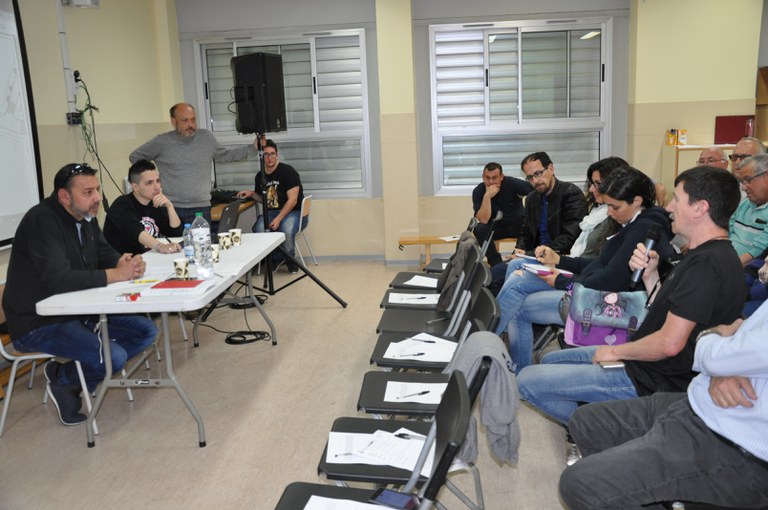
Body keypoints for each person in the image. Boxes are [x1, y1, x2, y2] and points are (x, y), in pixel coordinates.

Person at [516, 166, 744, 461]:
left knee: (527, 381)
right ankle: (599, 424)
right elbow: (669, 311)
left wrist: (615, 351)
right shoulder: (703, 255)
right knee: (550, 360)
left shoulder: (707, 265)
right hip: (644, 361)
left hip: (651, 376)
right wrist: (651, 276)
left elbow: (670, 343)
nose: (669, 207)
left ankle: (603, 429)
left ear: (700, 208)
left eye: (676, 199)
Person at [560, 301, 768, 509]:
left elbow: (705, 351)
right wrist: (724, 364)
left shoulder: (708, 279)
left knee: (580, 484)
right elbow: (735, 344)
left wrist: (715, 340)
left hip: (735, 444)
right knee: (585, 422)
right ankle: (631, 487)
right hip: (697, 401)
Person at [1, 163, 157, 426]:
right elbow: (59, 279)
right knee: (114, 356)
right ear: (64, 196)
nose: (96, 197)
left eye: (97, 190)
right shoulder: (42, 221)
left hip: (76, 309)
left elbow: (102, 251)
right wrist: (116, 274)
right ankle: (66, 383)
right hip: (37, 322)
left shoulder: (85, 215)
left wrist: (123, 261)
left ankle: (65, 374)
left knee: (146, 331)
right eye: (88, 192)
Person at [496, 166, 674, 372]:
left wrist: (563, 281)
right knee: (519, 279)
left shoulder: (642, 229)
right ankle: (503, 353)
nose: (610, 212)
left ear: (636, 201)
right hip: (590, 287)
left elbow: (609, 281)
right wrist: (559, 261)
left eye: (615, 207)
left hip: (605, 303)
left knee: (519, 299)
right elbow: (600, 264)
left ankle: (494, 345)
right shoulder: (632, 223)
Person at [129, 102, 260, 226]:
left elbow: (227, 155)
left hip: (201, 208)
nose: (190, 124)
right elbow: (135, 157)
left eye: (193, 120)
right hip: (171, 208)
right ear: (174, 121)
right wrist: (155, 179)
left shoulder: (206, 138)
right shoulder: (162, 142)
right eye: (185, 120)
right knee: (174, 243)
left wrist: (253, 147)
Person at [489, 152, 587, 294]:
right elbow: (526, 231)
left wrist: (529, 254)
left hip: (558, 259)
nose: (535, 181)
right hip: (534, 257)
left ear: (551, 168)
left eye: (538, 174)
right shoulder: (532, 198)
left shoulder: (571, 194)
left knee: (498, 277)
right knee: (491, 274)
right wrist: (519, 251)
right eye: (530, 177)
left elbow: (569, 237)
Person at [236, 139, 304, 273]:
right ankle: (273, 258)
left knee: (286, 228)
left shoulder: (288, 171)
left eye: (272, 154)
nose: (269, 157)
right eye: (266, 154)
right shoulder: (260, 176)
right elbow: (264, 200)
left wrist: (278, 219)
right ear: (261, 157)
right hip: (272, 212)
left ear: (277, 155)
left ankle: (290, 259)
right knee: (259, 228)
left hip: (293, 211)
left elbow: (293, 201)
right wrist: (252, 194)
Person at [104, 159, 184, 255]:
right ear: (135, 187)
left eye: (157, 181)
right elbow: (136, 231)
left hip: (149, 258)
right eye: (149, 183)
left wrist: (170, 206)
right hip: (125, 261)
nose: (157, 187)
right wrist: (161, 246)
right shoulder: (121, 205)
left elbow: (176, 234)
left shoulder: (155, 203)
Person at [471, 162, 533, 266]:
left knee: (531, 225)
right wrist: (487, 196)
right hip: (497, 227)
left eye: (494, 178)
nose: (491, 182)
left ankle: (517, 258)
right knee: (479, 229)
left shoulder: (511, 183)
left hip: (517, 224)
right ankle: (496, 263)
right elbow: (483, 220)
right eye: (487, 178)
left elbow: (535, 190)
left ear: (501, 177)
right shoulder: (478, 191)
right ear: (483, 177)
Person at [729, 154, 768, 266]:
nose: (743, 187)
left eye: (748, 180)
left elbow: (758, 251)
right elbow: (728, 232)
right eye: (742, 181)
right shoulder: (745, 204)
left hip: (746, 269)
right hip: (727, 259)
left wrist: (729, 268)